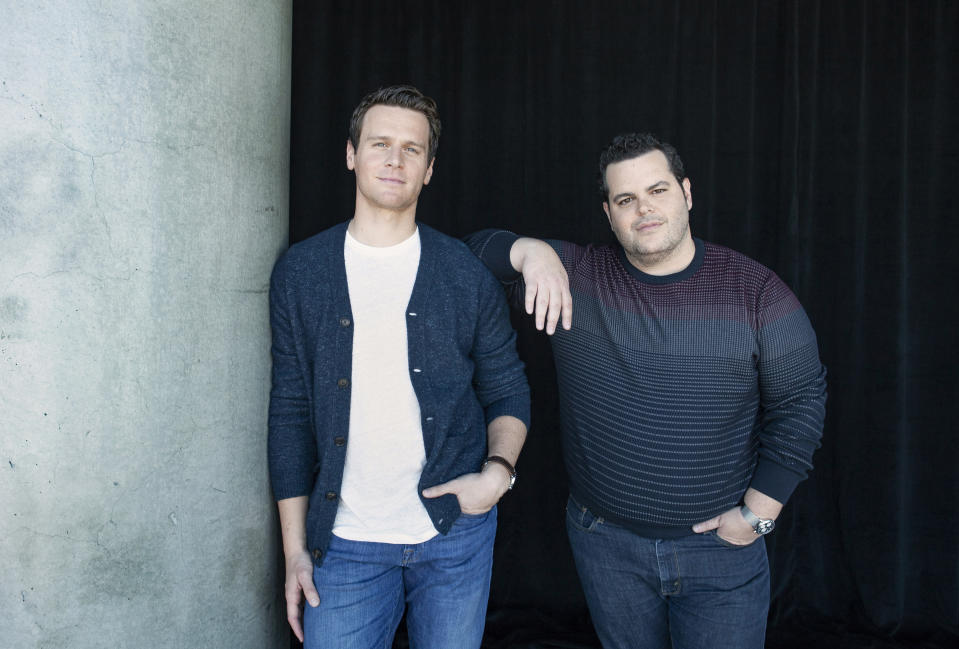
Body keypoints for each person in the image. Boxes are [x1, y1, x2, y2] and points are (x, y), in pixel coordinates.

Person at [465, 132, 826, 649]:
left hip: (720, 549)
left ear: (687, 193)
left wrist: (758, 516)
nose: (644, 210)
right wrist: (530, 252)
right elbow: (466, 255)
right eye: (626, 199)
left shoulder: (756, 292)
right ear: (609, 214)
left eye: (657, 191)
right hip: (603, 544)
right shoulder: (573, 277)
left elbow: (801, 403)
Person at [268, 85, 530, 649]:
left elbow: (508, 389)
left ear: (430, 169)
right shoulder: (302, 272)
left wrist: (498, 475)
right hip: (344, 544)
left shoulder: (463, 274)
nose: (394, 159)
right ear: (350, 154)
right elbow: (288, 414)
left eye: (412, 149)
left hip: (455, 537)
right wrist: (293, 550)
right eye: (379, 143)